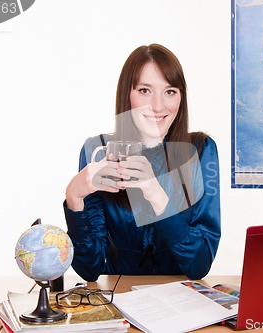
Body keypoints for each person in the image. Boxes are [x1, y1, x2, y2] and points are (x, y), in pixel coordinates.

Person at [63, 44, 221, 282]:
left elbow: (199, 265)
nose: (158, 106)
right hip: (120, 302)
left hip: (181, 305)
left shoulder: (201, 150)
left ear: (181, 97)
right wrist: (74, 197)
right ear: (127, 93)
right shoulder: (98, 150)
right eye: (145, 90)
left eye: (170, 91)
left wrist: (155, 192)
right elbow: (90, 269)